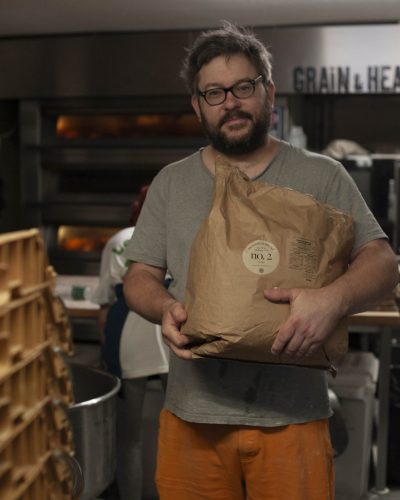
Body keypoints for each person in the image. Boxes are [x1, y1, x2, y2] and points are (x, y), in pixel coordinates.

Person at [122, 21, 398, 500]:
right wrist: (164, 308)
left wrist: (332, 300)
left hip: (294, 419)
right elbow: (139, 276)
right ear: (197, 105)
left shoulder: (322, 175)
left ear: (268, 92)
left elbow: (383, 262)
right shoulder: (171, 182)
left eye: (243, 87)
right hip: (193, 418)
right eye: (214, 92)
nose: (230, 102)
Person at [91, 185, 169, 500]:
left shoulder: (120, 241)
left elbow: (105, 306)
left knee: (129, 437)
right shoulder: (181, 236)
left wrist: (105, 349)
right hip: (174, 340)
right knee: (183, 430)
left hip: (128, 342)